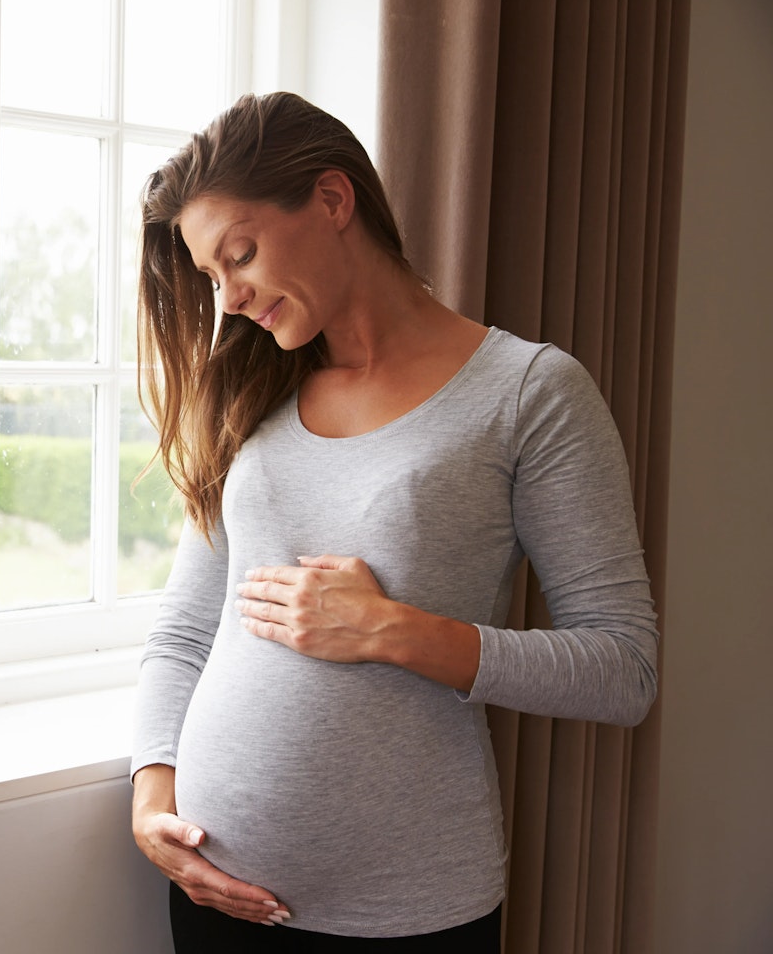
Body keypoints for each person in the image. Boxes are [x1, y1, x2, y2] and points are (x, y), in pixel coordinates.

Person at [129, 91, 659, 952]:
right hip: (215, 893)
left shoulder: (529, 393)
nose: (229, 299)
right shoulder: (255, 394)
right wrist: (153, 799)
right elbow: (188, 631)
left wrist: (393, 631)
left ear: (333, 201)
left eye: (242, 255)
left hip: (406, 912)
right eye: (211, 278)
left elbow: (623, 669)